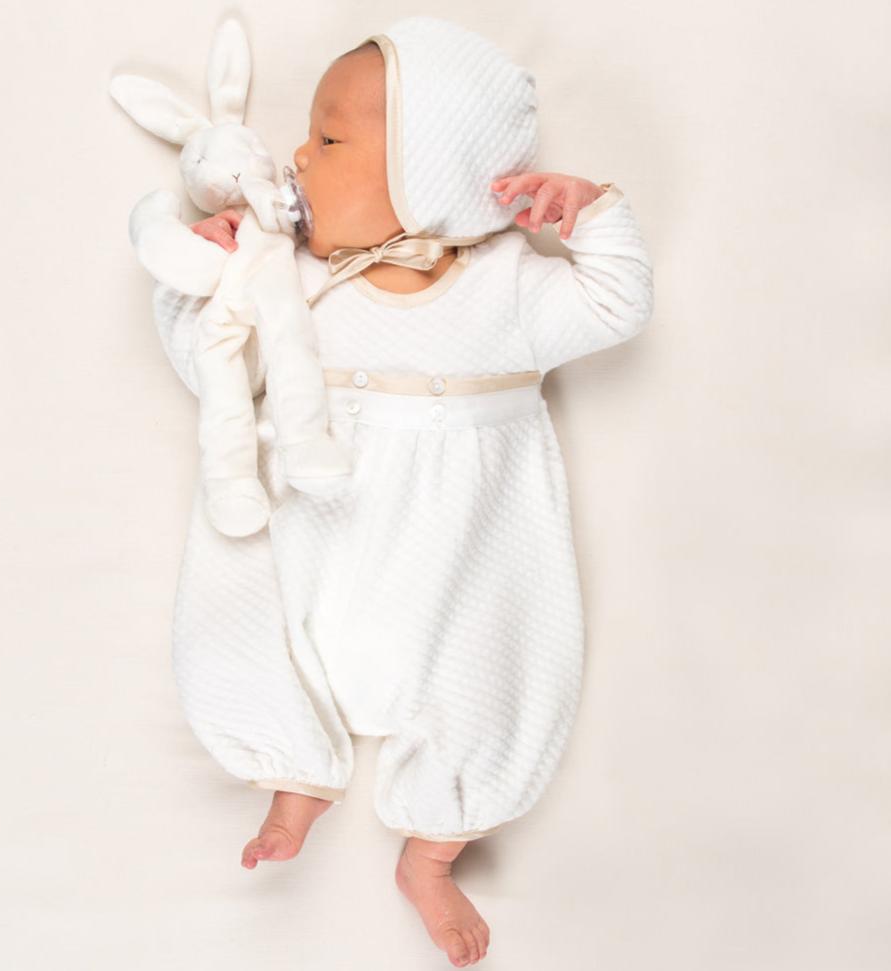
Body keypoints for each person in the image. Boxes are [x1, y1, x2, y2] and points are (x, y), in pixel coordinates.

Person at [153, 15, 653, 968]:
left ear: (437, 166)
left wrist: (589, 212)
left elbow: (616, 303)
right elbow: (209, 368)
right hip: (312, 521)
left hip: (467, 545)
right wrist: (202, 273)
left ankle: (433, 853)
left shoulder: (509, 286)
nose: (298, 155)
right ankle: (293, 772)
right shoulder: (291, 276)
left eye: (329, 138)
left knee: (494, 670)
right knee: (254, 615)